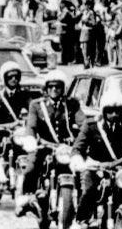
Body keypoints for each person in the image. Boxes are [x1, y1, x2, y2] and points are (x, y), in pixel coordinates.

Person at [65, 89, 122, 229]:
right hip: (96, 168)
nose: (114, 114)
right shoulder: (92, 125)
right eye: (110, 111)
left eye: (118, 111)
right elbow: (77, 147)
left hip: (120, 170)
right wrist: (78, 160)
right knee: (89, 190)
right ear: (104, 110)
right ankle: (80, 222)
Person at [15, 69, 84, 218]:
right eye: (51, 86)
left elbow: (82, 122)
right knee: (32, 165)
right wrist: (30, 139)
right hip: (44, 146)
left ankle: (81, 202)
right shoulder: (37, 105)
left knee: (81, 169)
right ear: (46, 88)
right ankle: (26, 197)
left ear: (63, 88)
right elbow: (31, 126)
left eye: (58, 86)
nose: (54, 89)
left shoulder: (71, 104)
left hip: (65, 148)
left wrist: (86, 133)